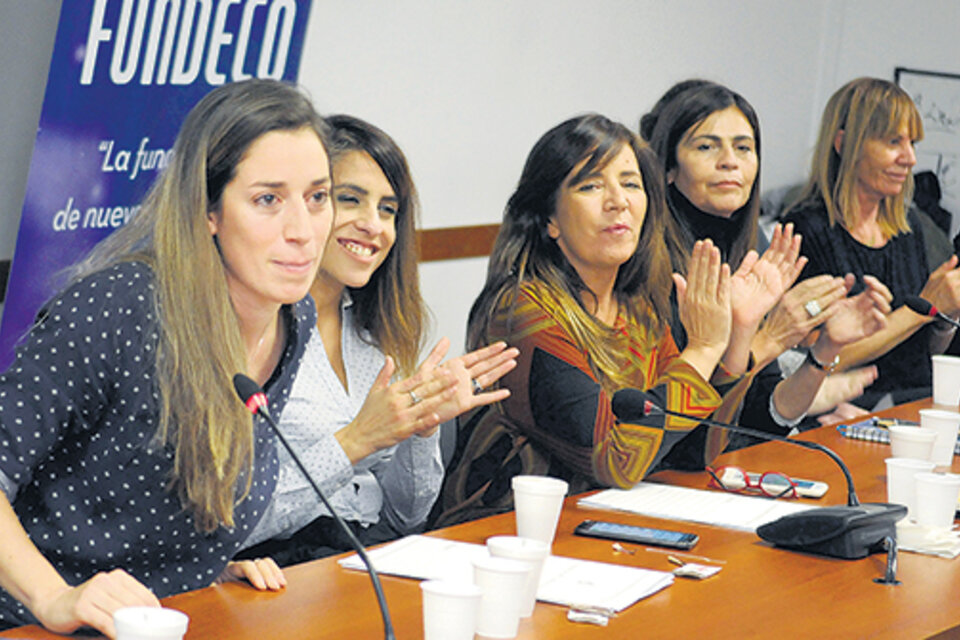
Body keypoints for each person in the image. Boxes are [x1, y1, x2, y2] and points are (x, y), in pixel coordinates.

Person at [0, 79, 332, 636]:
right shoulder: (118, 309)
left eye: (318, 197)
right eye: (267, 200)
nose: (303, 231)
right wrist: (54, 599)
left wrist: (199, 567)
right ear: (208, 212)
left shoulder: (290, 319)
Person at [432, 114, 755, 528]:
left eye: (631, 184)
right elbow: (617, 460)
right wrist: (704, 348)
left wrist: (734, 339)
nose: (618, 200)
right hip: (499, 537)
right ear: (549, 219)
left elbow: (697, 450)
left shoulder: (637, 309)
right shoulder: (521, 311)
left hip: (593, 532)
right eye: (591, 185)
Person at [237, 116, 518, 565]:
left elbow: (406, 517)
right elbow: (229, 523)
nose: (374, 225)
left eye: (388, 209)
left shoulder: (376, 335)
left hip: (366, 559)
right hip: (276, 569)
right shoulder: (250, 330)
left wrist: (421, 428)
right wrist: (355, 440)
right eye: (351, 200)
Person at [643, 80, 890, 434]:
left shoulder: (754, 243)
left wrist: (824, 350)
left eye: (743, 147)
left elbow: (764, 415)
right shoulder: (647, 256)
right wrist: (770, 338)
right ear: (668, 167)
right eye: (706, 146)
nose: (730, 162)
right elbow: (686, 425)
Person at [784, 77, 960, 409]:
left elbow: (923, 351)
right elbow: (812, 359)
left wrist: (942, 318)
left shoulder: (910, 229)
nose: (909, 158)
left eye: (913, 144)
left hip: (913, 404)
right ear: (844, 144)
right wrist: (919, 309)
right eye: (894, 141)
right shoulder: (806, 231)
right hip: (848, 410)